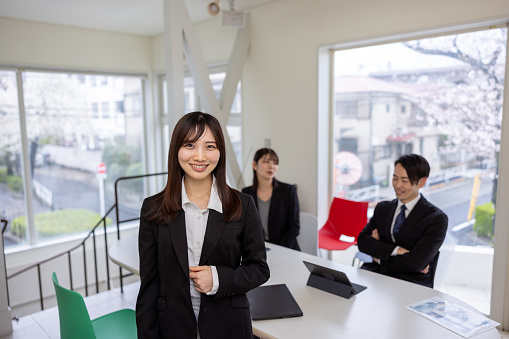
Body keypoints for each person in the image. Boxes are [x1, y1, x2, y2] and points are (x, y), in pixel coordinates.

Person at [136, 112, 270, 339]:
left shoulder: (242, 205)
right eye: (190, 145)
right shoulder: (153, 209)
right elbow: (149, 285)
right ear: (176, 149)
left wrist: (218, 278)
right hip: (173, 327)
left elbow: (259, 269)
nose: (200, 156)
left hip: (229, 327)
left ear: (220, 152)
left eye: (210, 146)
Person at [357, 154, 448, 288]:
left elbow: (416, 263)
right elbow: (363, 242)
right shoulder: (383, 208)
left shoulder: (436, 219)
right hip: (376, 274)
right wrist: (398, 250)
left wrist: (379, 256)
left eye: (404, 180)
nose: (397, 185)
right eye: (395, 178)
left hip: (412, 282)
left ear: (422, 182)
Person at [242, 148, 301, 251]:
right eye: (266, 161)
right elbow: (245, 226)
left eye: (275, 163)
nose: (271, 166)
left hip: (286, 249)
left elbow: (294, 228)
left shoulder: (288, 191)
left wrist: (279, 250)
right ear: (254, 165)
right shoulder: (246, 193)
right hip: (258, 250)